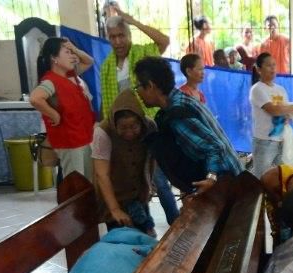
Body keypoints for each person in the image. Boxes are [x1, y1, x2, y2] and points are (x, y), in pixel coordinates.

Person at [99, 7, 176, 225]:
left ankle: (176, 223)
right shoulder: (106, 66)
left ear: (129, 35)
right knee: (132, 180)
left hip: (146, 129)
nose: (117, 41)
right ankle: (144, 223)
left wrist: (133, 21)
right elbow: (107, 103)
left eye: (121, 35)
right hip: (123, 133)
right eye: (112, 37)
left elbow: (164, 41)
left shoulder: (142, 54)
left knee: (158, 180)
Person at [134, 56, 243, 195]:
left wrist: (211, 178)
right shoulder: (180, 101)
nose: (137, 93)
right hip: (230, 181)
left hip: (229, 186)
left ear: (150, 86)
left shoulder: (178, 113)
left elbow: (215, 147)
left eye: (138, 86)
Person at [92, 90, 157, 237]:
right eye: (123, 127)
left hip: (139, 195)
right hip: (113, 195)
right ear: (114, 124)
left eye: (134, 127)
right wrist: (115, 209)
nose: (129, 132)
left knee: (145, 234)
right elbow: (102, 174)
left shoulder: (149, 126)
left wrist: (149, 185)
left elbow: (152, 160)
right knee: (122, 238)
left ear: (141, 121)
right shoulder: (103, 132)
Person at [30, 37, 96, 181]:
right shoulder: (51, 80)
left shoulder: (71, 75)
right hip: (70, 141)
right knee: (76, 183)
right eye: (67, 52)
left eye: (72, 52)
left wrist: (75, 49)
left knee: (88, 182)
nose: (73, 56)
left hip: (84, 137)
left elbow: (89, 61)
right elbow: (35, 98)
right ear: (54, 58)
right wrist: (54, 115)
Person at [249, 53, 293, 177]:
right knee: (262, 177)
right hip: (264, 141)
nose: (273, 68)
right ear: (259, 69)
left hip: (281, 140)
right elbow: (273, 110)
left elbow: (284, 111)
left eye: (274, 65)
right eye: (268, 65)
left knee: (284, 176)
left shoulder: (280, 89)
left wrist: (291, 114)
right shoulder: (257, 89)